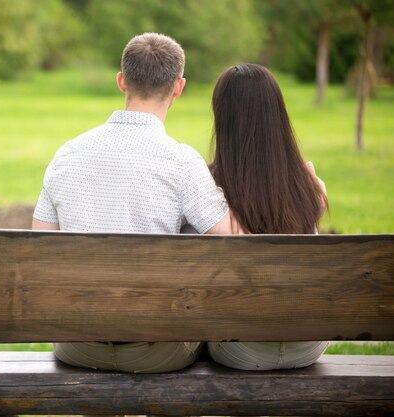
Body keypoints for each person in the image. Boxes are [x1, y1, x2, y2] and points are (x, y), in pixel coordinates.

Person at [32, 32, 240, 374]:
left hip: (77, 344)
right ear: (178, 87)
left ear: (121, 81)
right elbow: (230, 238)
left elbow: (39, 246)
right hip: (156, 349)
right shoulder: (182, 162)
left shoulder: (67, 154)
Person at [207, 63, 329, 370]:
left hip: (239, 348)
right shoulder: (307, 185)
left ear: (222, 119)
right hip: (308, 344)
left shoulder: (208, 186)